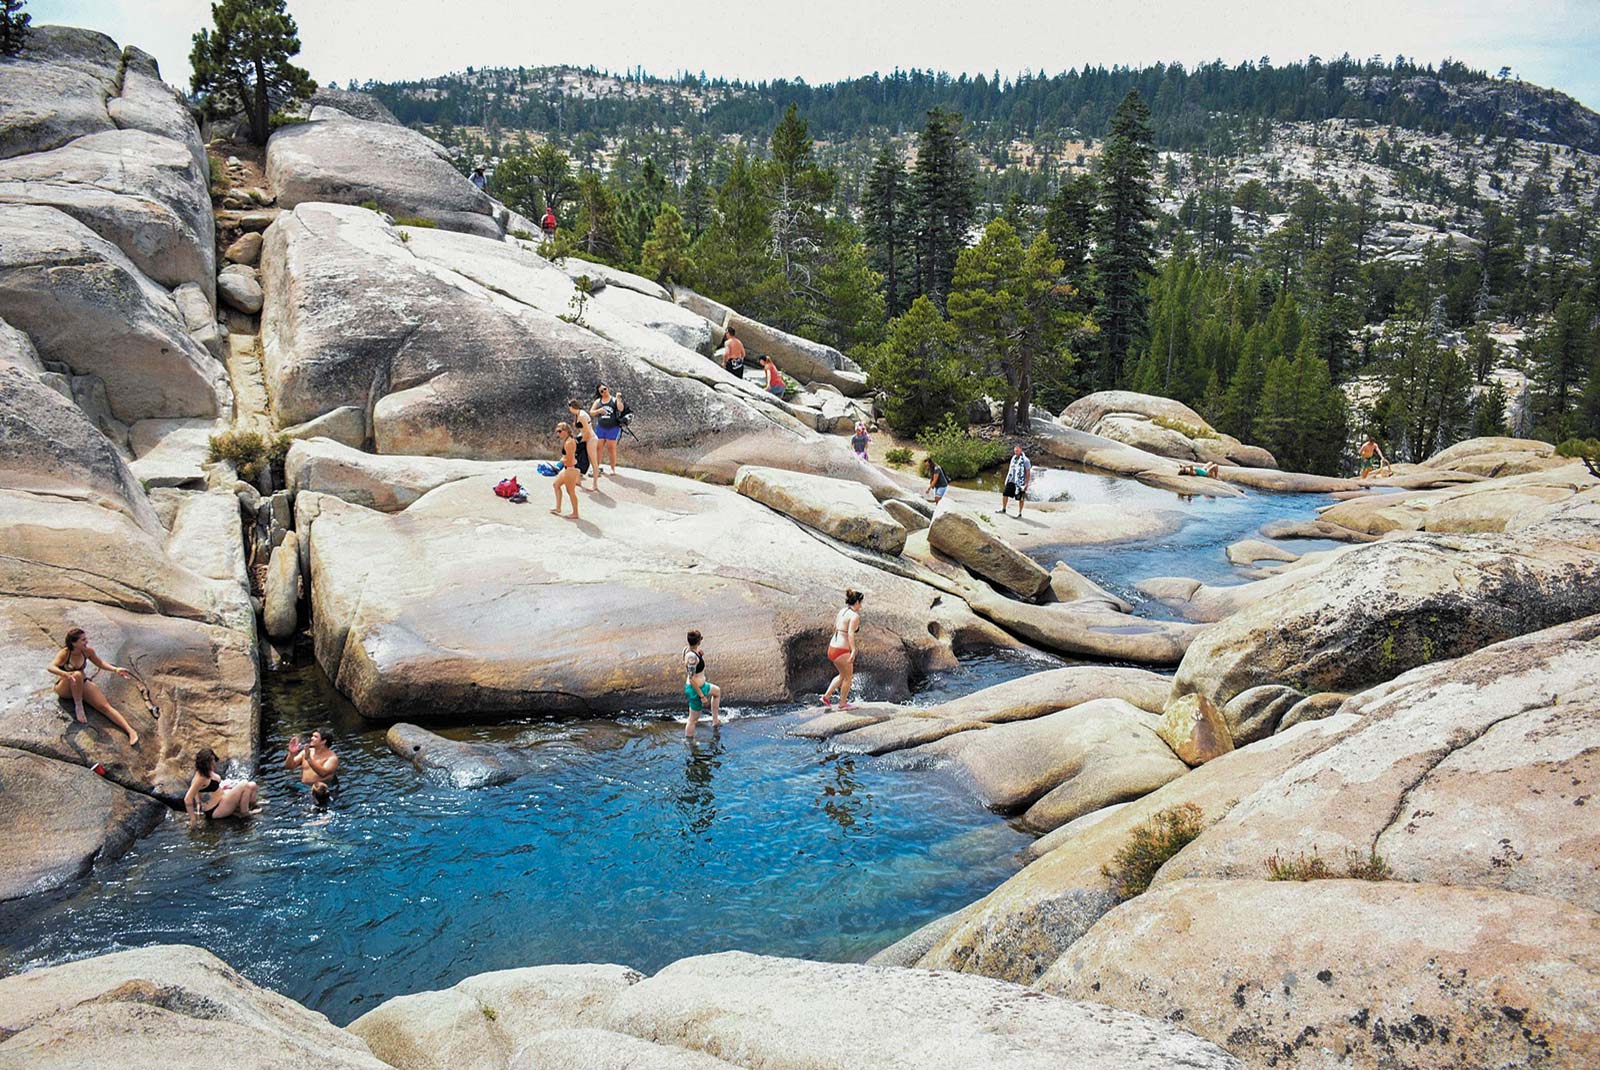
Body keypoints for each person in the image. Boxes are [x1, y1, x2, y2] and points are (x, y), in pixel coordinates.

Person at [48, 627, 139, 746]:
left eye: (86, 638)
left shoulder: (88, 651)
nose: (87, 641)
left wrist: (116, 669)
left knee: (104, 706)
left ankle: (130, 731)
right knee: (77, 674)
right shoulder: (65, 653)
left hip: (81, 684)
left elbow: (100, 663)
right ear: (73, 643)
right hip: (65, 687)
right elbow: (50, 667)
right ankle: (78, 706)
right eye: (83, 640)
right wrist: (65, 674)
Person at [185, 747, 261, 819]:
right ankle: (245, 813)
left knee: (252, 785)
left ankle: (252, 805)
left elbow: (197, 789)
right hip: (216, 809)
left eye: (213, 760)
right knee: (244, 784)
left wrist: (198, 802)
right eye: (212, 761)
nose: (214, 763)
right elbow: (188, 798)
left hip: (222, 799)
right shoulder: (200, 778)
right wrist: (193, 819)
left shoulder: (207, 771)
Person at [821, 589, 864, 710]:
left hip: (832, 647)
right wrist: (853, 650)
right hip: (841, 650)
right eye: (860, 603)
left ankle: (826, 697)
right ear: (856, 602)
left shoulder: (842, 611)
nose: (861, 606)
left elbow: (835, 627)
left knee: (842, 675)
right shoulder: (855, 616)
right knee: (848, 678)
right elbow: (851, 634)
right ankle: (842, 704)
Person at [682, 629, 721, 738]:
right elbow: (691, 679)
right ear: (699, 642)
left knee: (717, 691)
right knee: (693, 720)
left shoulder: (689, 651)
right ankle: (689, 741)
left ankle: (715, 720)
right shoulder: (692, 657)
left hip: (702, 686)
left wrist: (699, 656)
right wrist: (702, 696)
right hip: (695, 690)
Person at [590, 384, 625, 475]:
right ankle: (596, 467)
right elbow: (591, 412)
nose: (604, 391)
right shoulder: (598, 401)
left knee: (611, 448)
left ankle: (612, 468)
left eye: (605, 389)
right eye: (601, 391)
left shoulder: (614, 400)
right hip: (601, 427)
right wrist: (598, 411)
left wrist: (618, 399)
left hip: (613, 427)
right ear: (599, 393)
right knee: (598, 448)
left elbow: (621, 409)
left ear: (608, 388)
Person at [567, 398, 600, 492]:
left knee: (594, 462)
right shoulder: (579, 413)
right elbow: (583, 431)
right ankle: (578, 481)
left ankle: (595, 485)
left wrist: (579, 442)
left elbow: (587, 432)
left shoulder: (581, 415)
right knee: (577, 457)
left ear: (572, 407)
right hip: (585, 437)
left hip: (591, 439)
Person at [551, 421, 582, 519]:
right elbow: (566, 456)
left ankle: (575, 513)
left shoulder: (569, 442)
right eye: (557, 431)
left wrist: (558, 465)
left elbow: (568, 458)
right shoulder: (568, 440)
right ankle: (558, 508)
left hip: (570, 469)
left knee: (570, 492)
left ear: (566, 431)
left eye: (559, 431)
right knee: (556, 485)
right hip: (568, 469)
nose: (558, 433)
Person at [998, 444, 1033, 518]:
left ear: (1021, 450)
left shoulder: (1026, 460)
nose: (1016, 452)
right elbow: (1010, 469)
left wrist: (1026, 483)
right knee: (1005, 494)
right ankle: (1003, 509)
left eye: (1017, 451)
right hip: (1011, 480)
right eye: (1015, 451)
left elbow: (1028, 472)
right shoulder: (1013, 458)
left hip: (1020, 482)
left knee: (1021, 498)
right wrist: (1007, 479)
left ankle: (1020, 513)